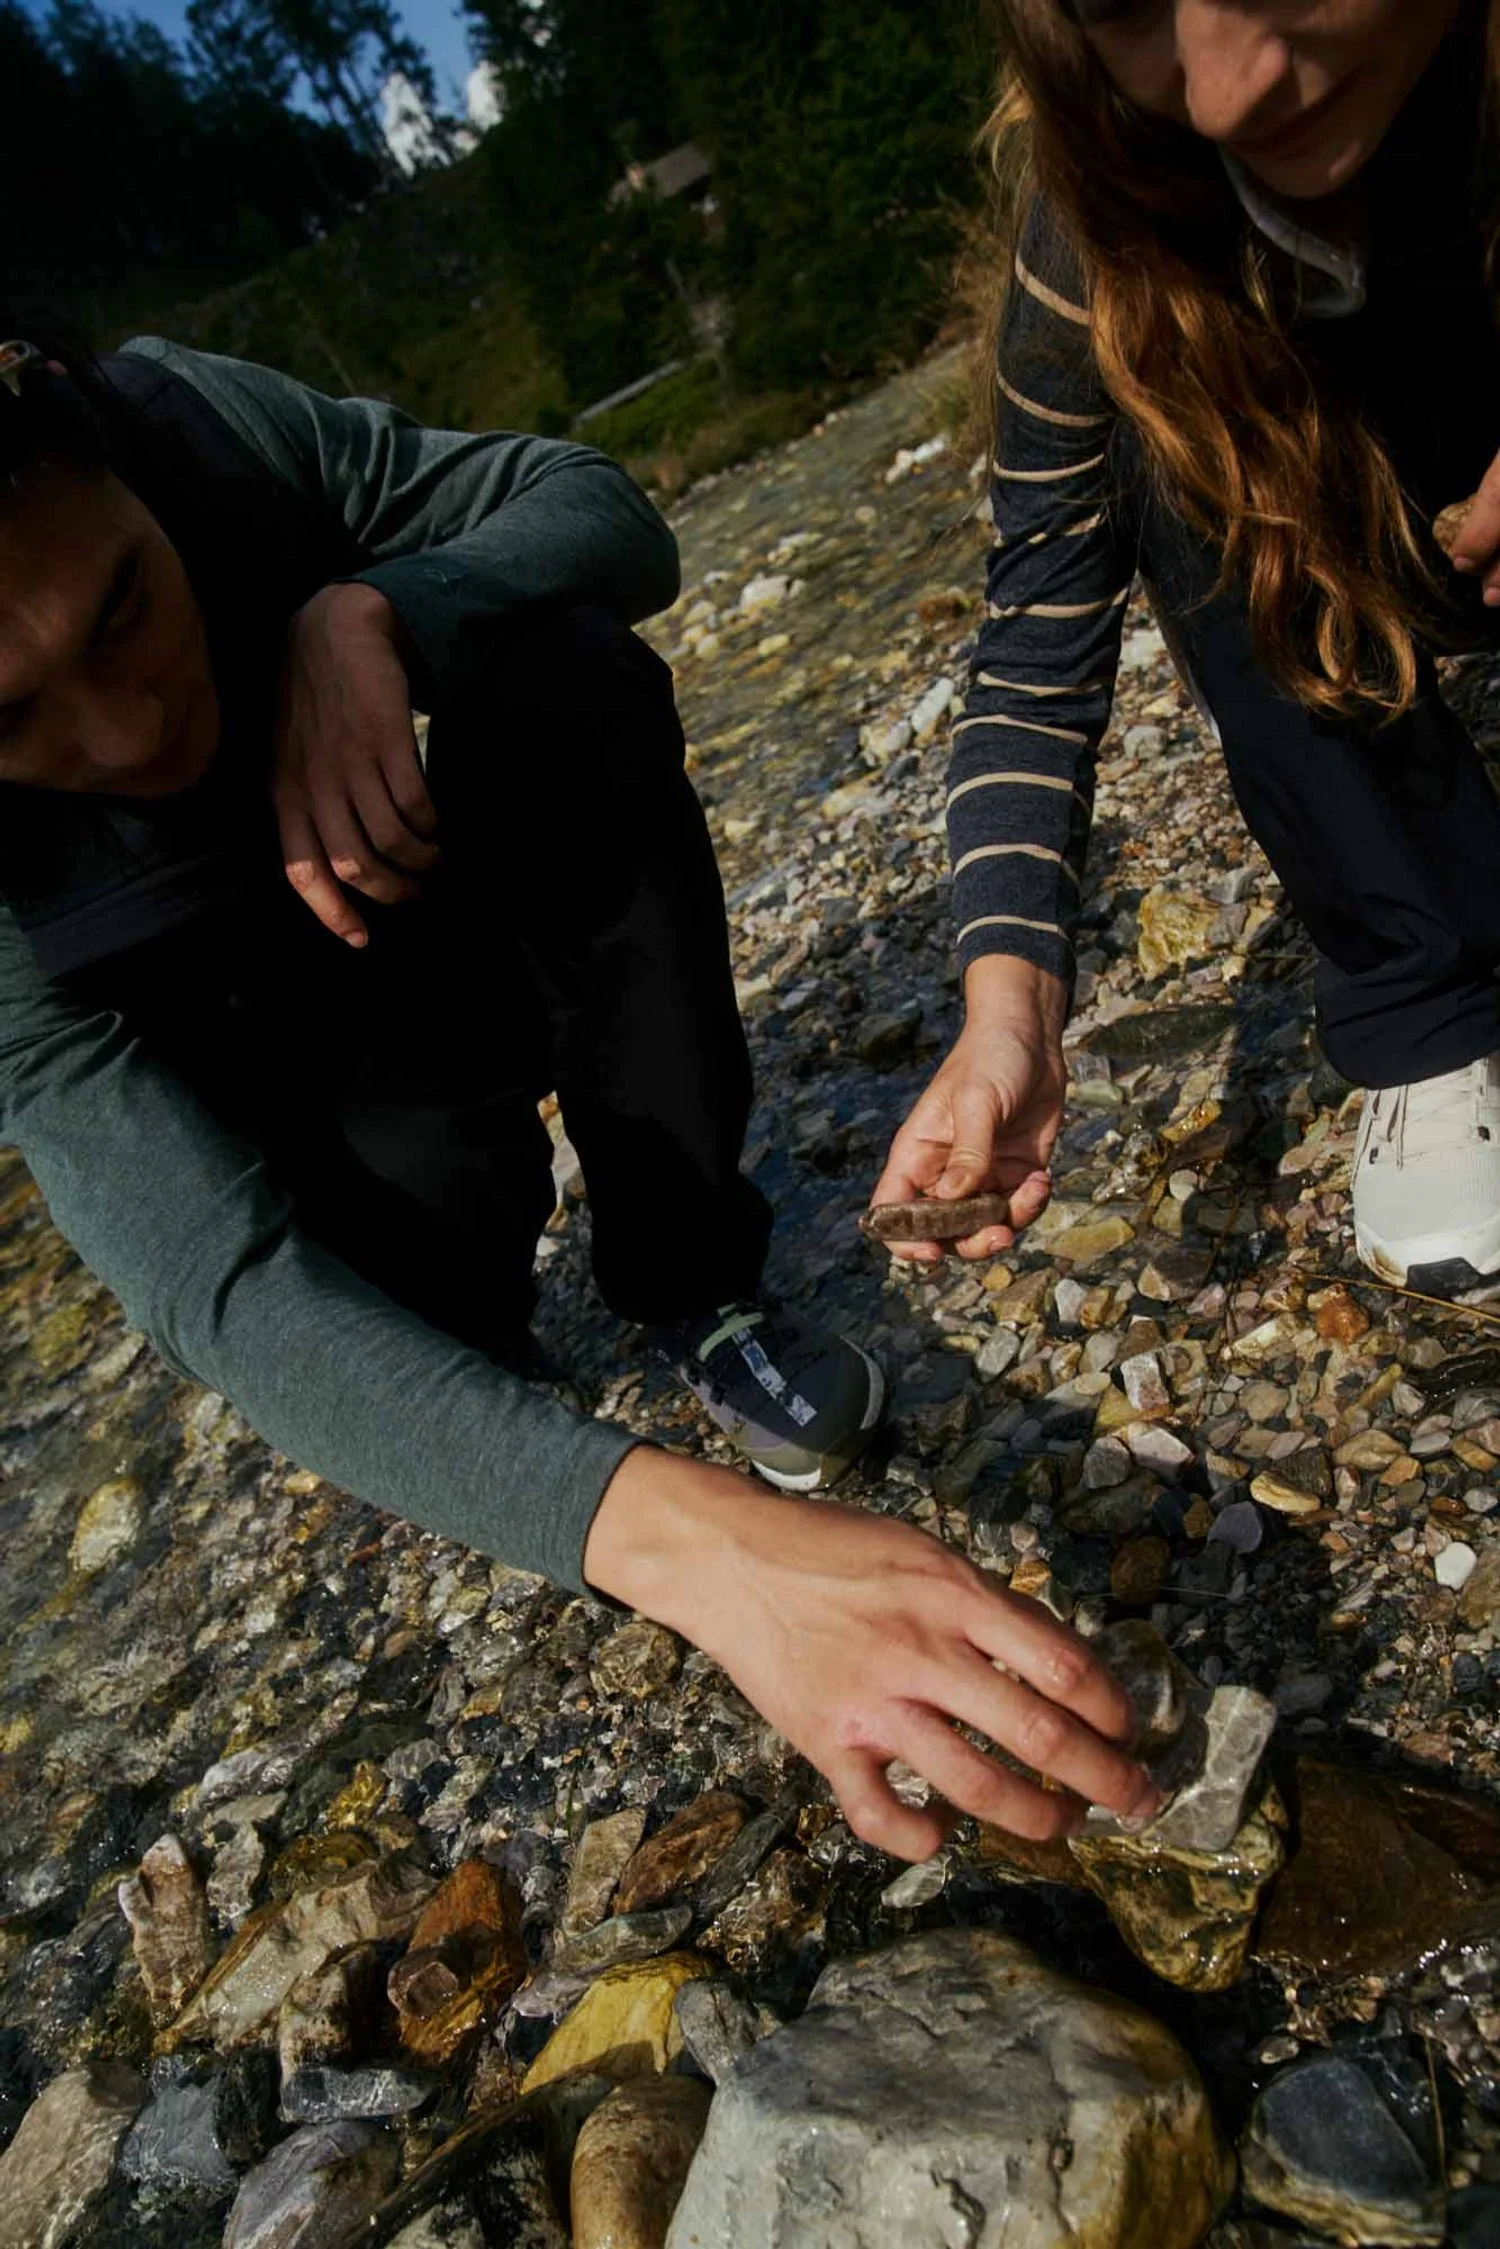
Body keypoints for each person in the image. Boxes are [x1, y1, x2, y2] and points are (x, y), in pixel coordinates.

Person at [0, 325, 1159, 1858]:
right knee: (436, 1327)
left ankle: (693, 1278)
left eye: (126, 608)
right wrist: (700, 1547)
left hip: (414, 871)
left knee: (568, 668)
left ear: (105, 457)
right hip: (282, 1045)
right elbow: (218, 1281)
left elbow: (599, 508)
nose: (129, 726)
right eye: (8, 719)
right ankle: (486, 1366)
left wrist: (378, 616)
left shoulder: (191, 425)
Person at [876, 0, 1500, 1301]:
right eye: (1129, 6)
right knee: (1166, 446)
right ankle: (1424, 1003)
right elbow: (1032, 664)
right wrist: (1010, 1013)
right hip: (1395, 548)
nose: (1225, 90)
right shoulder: (1095, 234)